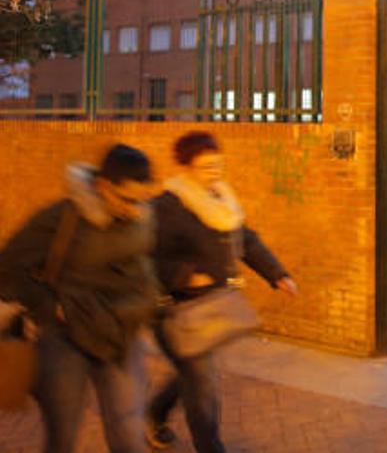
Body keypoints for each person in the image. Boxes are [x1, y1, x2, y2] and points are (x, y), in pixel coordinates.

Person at [0, 144, 160, 453]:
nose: (134, 210)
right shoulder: (61, 219)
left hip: (121, 337)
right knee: (63, 438)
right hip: (65, 342)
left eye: (142, 201)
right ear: (102, 186)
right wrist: (50, 306)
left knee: (129, 436)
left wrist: (150, 300)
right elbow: (7, 268)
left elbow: (146, 265)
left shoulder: (142, 216)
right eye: (126, 199)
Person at [147, 131, 298, 453]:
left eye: (218, 165)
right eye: (206, 167)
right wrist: (187, 276)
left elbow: (247, 240)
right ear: (187, 168)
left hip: (209, 307)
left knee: (192, 375)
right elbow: (143, 255)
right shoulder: (167, 206)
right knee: (201, 384)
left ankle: (155, 413)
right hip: (172, 309)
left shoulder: (221, 200)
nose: (215, 173)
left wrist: (277, 274)